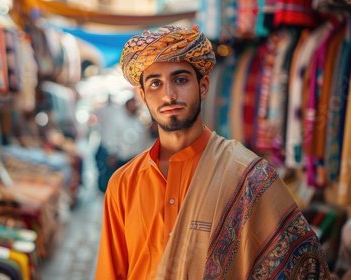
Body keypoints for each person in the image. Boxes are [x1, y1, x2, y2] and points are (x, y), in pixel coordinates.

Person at [95, 25, 330, 279]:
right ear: (142, 95)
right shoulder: (122, 184)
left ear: (204, 86)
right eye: (155, 84)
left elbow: (302, 268)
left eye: (181, 79)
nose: (169, 94)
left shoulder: (249, 176)